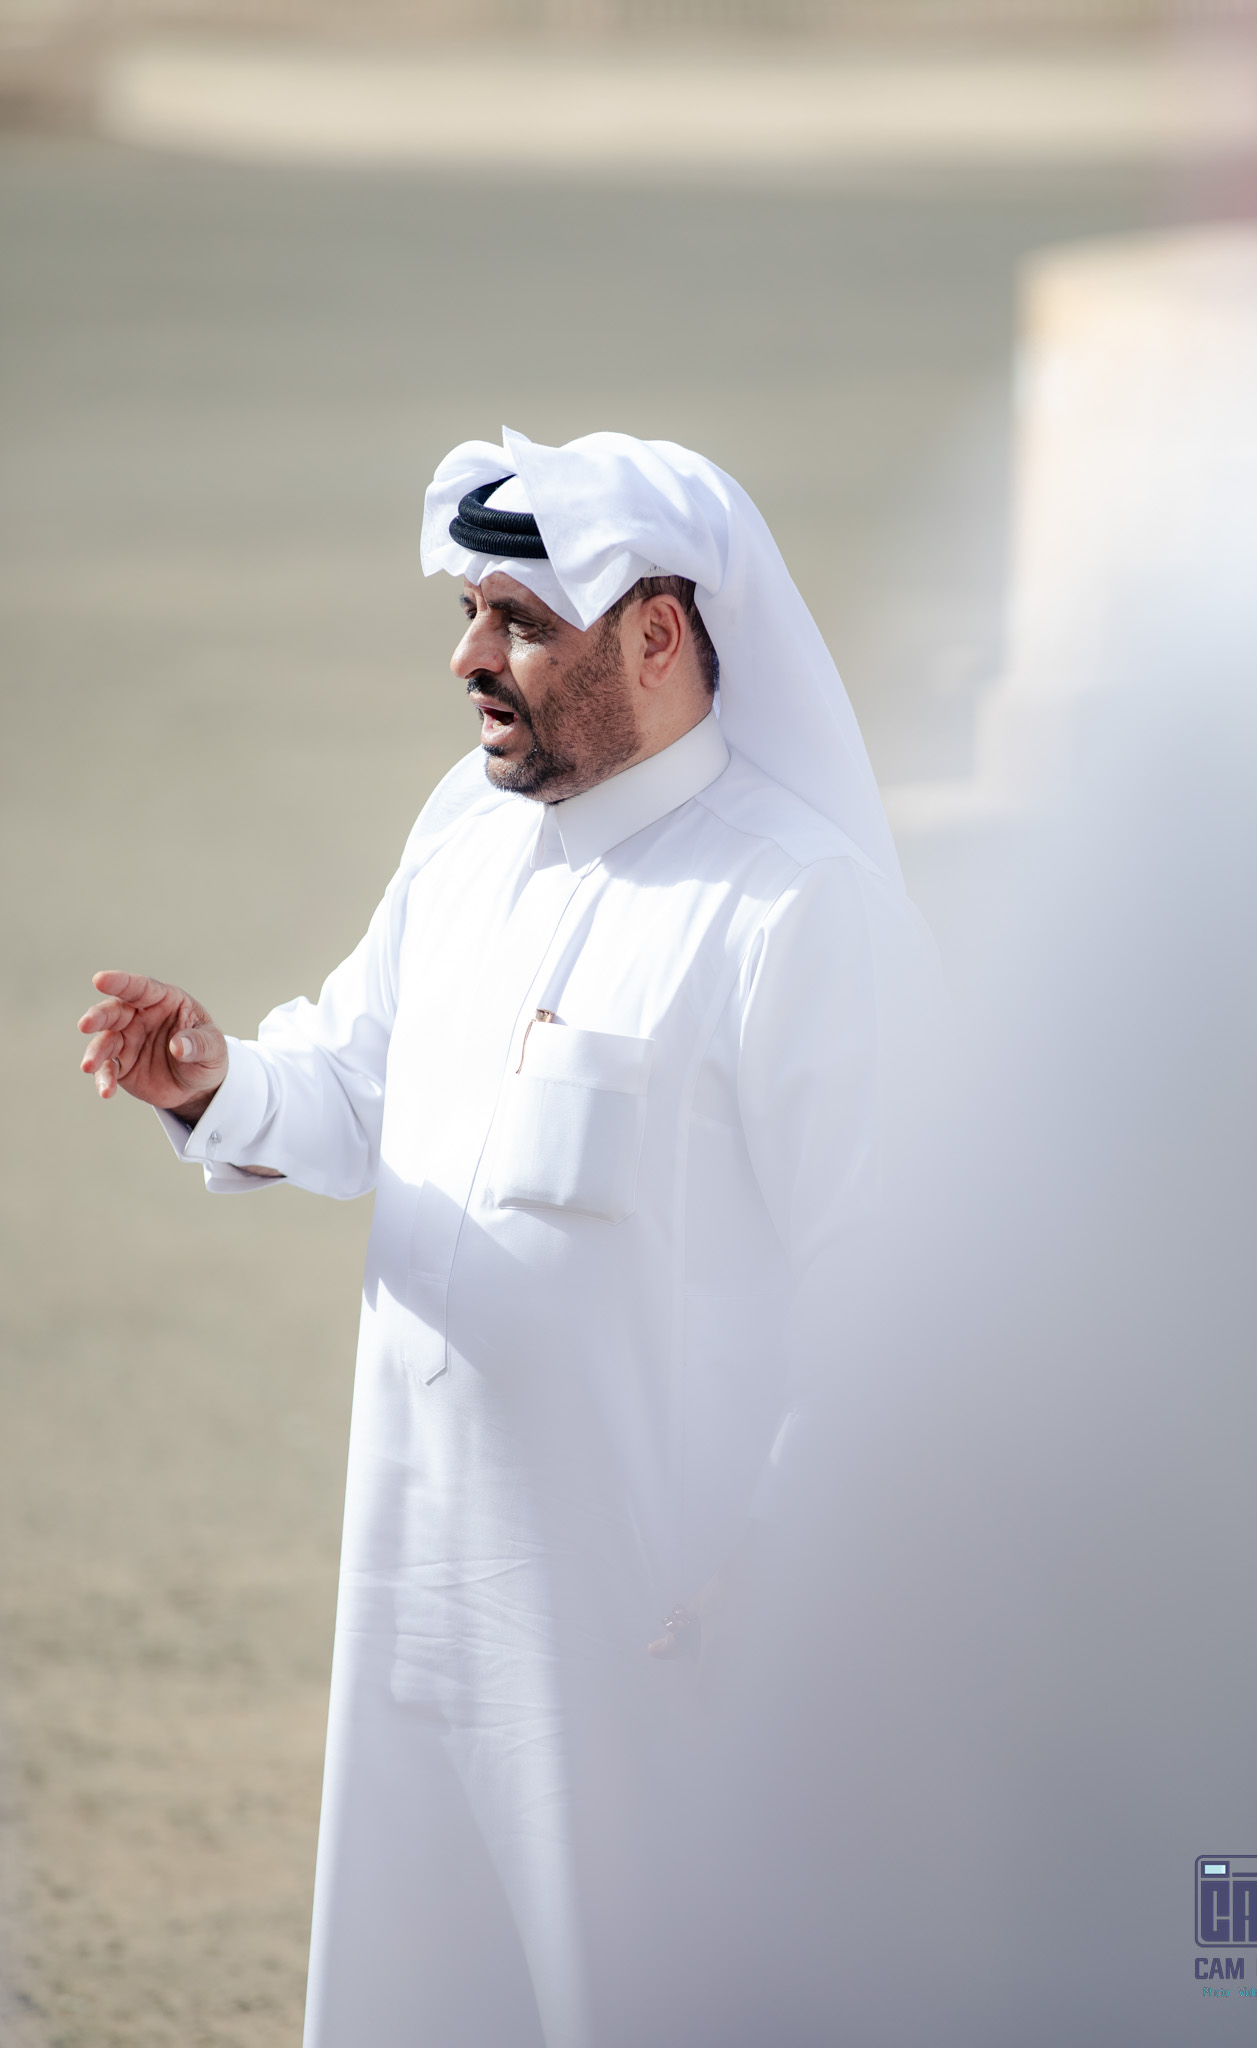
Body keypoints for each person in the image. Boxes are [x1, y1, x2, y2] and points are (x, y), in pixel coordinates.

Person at [77, 430, 941, 2048]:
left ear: (657, 636)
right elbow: (354, 1084)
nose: (469, 659)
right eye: (468, 614)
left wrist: (781, 1575)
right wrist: (215, 1080)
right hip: (418, 1596)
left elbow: (897, 1291)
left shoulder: (791, 906)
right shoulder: (466, 837)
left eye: (519, 624)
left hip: (651, 1628)